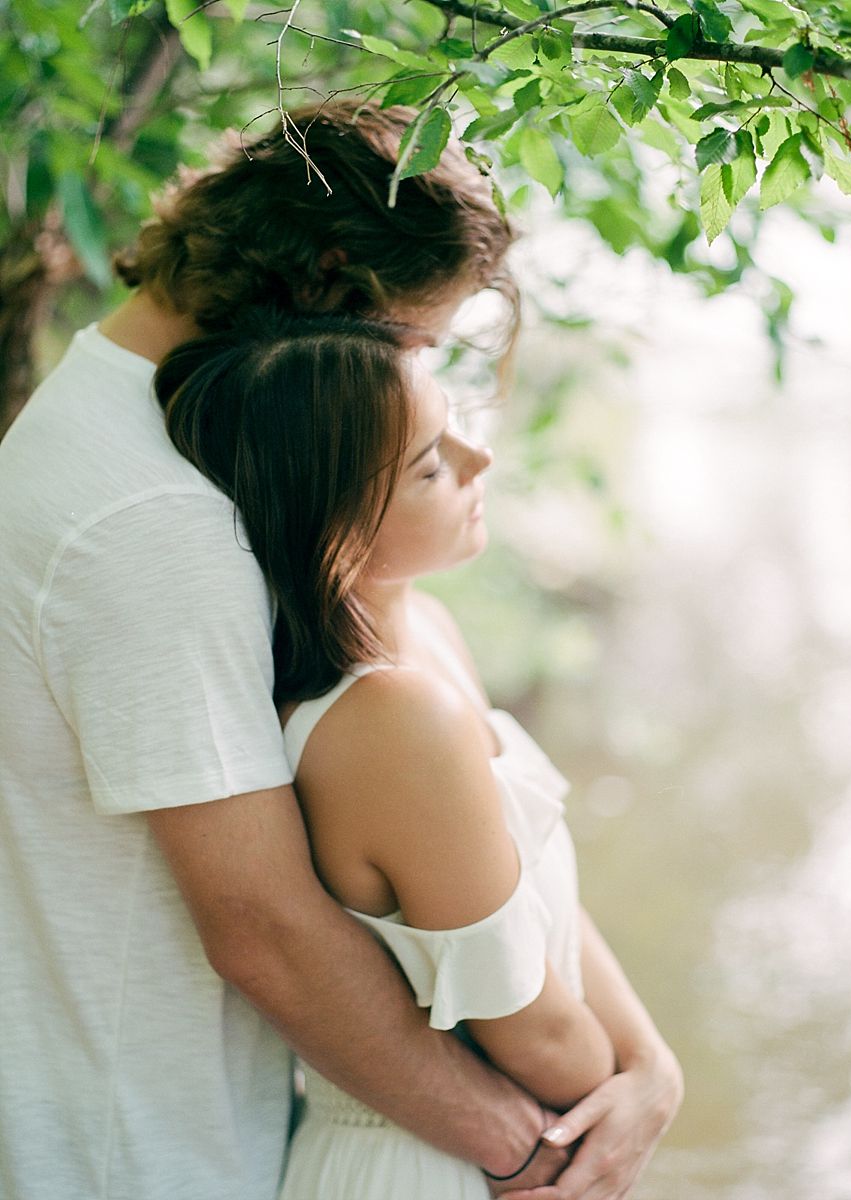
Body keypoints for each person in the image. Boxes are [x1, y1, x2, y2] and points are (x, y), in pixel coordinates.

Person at [0, 101, 681, 1200]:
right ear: (326, 289)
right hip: (145, 1149)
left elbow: (484, 850)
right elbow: (262, 927)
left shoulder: (143, 433)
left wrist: (647, 1064)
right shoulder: (151, 520)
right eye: (415, 339)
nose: (413, 380)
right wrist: (524, 1152)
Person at [154, 310, 681, 1199]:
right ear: (336, 532)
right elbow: (531, 1030)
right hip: (419, 1167)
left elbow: (539, 898)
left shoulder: (429, 634)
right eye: (433, 465)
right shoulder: (390, 720)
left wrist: (654, 1069)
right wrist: (615, 1112)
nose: (480, 463)